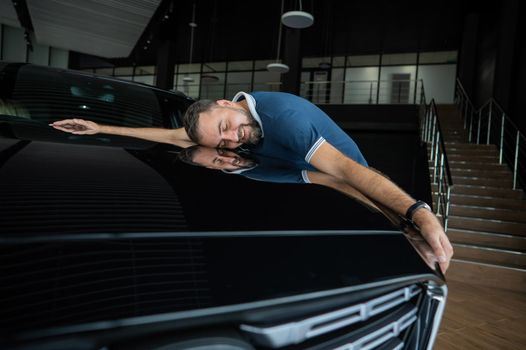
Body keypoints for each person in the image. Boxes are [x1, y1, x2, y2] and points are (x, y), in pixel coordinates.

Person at [50, 91, 453, 272]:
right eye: (220, 141)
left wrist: (417, 215)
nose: (230, 140)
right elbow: (170, 135)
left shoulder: (285, 120)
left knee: (354, 186)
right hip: (297, 170)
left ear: (228, 102)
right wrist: (99, 127)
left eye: (227, 127)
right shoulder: (224, 137)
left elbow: (346, 176)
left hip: (335, 165)